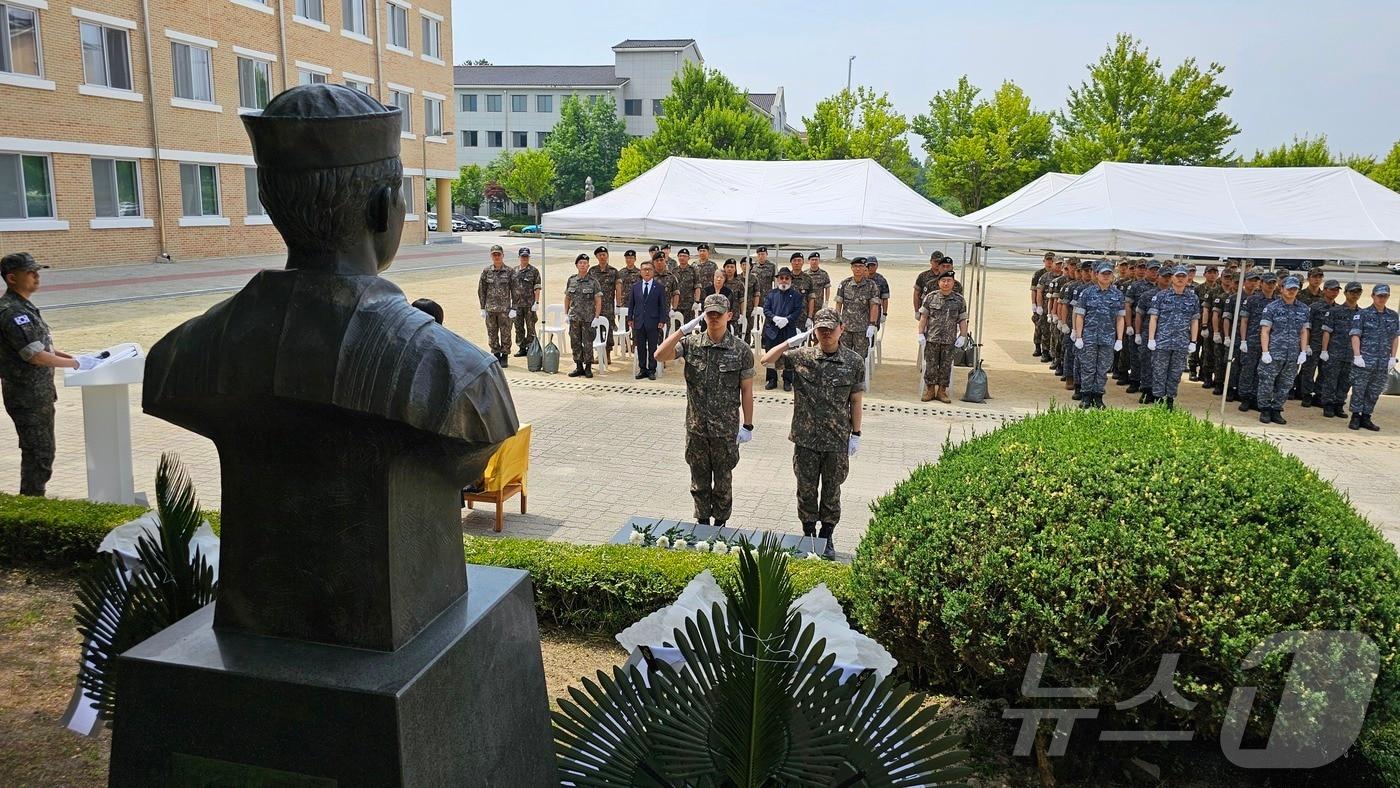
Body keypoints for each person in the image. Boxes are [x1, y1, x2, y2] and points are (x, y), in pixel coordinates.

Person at [760, 307, 863, 560]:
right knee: (806, 491)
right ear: (814, 331)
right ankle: (807, 536)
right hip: (805, 439)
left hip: (836, 439)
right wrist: (791, 340)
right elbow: (767, 360)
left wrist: (856, 433)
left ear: (842, 329)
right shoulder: (801, 356)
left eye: (831, 329)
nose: (826, 333)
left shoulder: (853, 361)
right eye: (821, 329)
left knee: (831, 491)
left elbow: (856, 400)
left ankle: (826, 537)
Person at [655, 294, 755, 529]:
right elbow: (659, 356)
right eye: (709, 314)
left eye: (718, 314)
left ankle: (720, 527)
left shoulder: (741, 350)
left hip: (724, 430)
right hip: (697, 427)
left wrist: (748, 425)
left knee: (722, 483)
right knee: (699, 482)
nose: (714, 318)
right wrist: (681, 331)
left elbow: (747, 391)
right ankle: (701, 526)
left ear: (729, 316)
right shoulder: (691, 344)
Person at [1, 252, 94, 497]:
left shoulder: (23, 306)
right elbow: (35, 356)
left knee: (40, 451)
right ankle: (32, 504)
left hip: (37, 395)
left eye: (37, 271)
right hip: (26, 397)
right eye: (30, 272)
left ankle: (32, 502)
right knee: (39, 453)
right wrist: (75, 364)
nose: (36, 276)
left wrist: (73, 358)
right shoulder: (11, 312)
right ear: (12, 278)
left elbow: (43, 348)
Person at [1255, 276, 1311, 424]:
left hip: (1292, 354)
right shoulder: (1272, 307)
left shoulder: (1304, 309)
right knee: (1267, 381)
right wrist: (1265, 351)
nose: (1292, 291)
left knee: (1286, 384)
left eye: (1295, 289)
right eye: (1289, 288)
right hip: (1274, 352)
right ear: (1281, 289)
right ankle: (1265, 409)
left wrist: (1303, 351)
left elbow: (1304, 331)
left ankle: (1277, 409)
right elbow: (1265, 331)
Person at [1072, 261, 1126, 409]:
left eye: (1109, 273)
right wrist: (1079, 336)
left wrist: (1119, 339)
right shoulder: (1087, 293)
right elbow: (1080, 316)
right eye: (1103, 273)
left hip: (1108, 338)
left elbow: (1120, 318)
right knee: (1088, 367)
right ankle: (1086, 395)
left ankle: (1098, 396)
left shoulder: (1117, 295)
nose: (1106, 276)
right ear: (1097, 275)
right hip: (1089, 336)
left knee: (1102, 369)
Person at [1145, 266, 1200, 409]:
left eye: (1183, 276)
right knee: (1159, 371)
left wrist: (1193, 341)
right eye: (1178, 276)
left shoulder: (1193, 298)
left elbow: (1194, 321)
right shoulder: (1161, 296)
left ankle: (1170, 399)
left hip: (1181, 342)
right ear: (1172, 278)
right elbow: (1154, 318)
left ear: (1188, 278)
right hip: (1162, 341)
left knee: (1176, 373)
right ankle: (1158, 398)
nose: (1180, 279)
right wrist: (1151, 338)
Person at [1348, 284, 1399, 431]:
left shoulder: (1393, 315)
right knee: (1359, 389)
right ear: (1373, 296)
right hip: (1365, 359)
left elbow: (1395, 337)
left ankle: (1366, 416)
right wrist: (1357, 355)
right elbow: (1355, 335)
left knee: (1374, 391)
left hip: (1382, 361)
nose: (1382, 298)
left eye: (1385, 296)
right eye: (1379, 296)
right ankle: (1355, 416)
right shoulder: (1363, 314)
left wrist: (1392, 357)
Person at [917, 271, 969, 403]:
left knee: (946, 366)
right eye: (943, 280)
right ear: (938, 283)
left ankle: (942, 391)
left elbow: (962, 320)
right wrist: (920, 333)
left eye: (949, 280)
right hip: (932, 338)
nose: (946, 283)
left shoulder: (959, 300)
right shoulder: (930, 297)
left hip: (949, 340)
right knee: (931, 365)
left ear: (953, 282)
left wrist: (962, 336)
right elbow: (924, 317)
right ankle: (930, 390)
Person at [1318, 281, 1363, 418]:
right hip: (1335, 352)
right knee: (1330, 380)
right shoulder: (1335, 311)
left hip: (1351, 354)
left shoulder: (1362, 314)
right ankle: (1328, 405)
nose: (1354, 295)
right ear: (1345, 293)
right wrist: (1324, 350)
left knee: (1346, 381)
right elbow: (1327, 332)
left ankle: (1339, 404)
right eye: (1352, 292)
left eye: (1357, 292)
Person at [1237, 270, 1277, 412]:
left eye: (1273, 282)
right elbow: (1244, 321)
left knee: (1263, 372)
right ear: (1261, 284)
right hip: (1253, 339)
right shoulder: (1252, 300)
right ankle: (1245, 397)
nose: (1271, 285)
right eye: (1268, 283)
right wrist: (1243, 340)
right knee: (1248, 370)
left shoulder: (1277, 301)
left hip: (1269, 343)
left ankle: (1256, 397)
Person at [761, 267, 806, 390]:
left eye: (787, 278)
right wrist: (775, 318)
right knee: (771, 355)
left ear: (791, 280)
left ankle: (787, 380)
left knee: (788, 356)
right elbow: (766, 309)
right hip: (772, 330)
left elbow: (798, 311)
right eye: (781, 278)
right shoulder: (771, 294)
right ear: (777, 280)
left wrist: (787, 319)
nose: (784, 281)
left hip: (788, 329)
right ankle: (771, 379)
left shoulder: (796, 295)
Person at [1299, 278, 1339, 407]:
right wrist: (1307, 345)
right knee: (1308, 370)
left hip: (1330, 346)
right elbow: (1307, 327)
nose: (1334, 292)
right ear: (1325, 290)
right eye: (1331, 289)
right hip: (1314, 344)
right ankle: (1306, 394)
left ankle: (1318, 394)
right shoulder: (1314, 307)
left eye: (1336, 290)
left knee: (1325, 371)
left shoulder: (1338, 309)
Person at [627, 258, 669, 380]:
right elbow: (631, 304)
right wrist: (630, 318)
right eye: (644, 270)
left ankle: (652, 370)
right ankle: (642, 369)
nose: (647, 272)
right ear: (640, 272)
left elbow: (663, 305)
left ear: (653, 272)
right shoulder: (635, 287)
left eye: (649, 269)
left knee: (652, 347)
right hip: (639, 321)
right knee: (640, 347)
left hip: (653, 322)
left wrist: (662, 320)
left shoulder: (659, 287)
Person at [833, 257, 881, 359]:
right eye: (855, 266)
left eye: (860, 266)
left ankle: (859, 376)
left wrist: (872, 324)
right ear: (851, 268)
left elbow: (874, 306)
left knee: (860, 357)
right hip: (845, 328)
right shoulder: (844, 284)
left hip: (862, 329)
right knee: (843, 356)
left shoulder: (871, 285)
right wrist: (837, 322)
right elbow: (838, 305)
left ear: (865, 268)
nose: (858, 269)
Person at [478, 244, 517, 366]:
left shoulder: (510, 271)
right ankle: (496, 355)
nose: (496, 257)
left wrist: (514, 308)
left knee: (506, 333)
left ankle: (504, 356)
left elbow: (515, 290)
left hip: (505, 309)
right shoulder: (486, 271)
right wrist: (482, 307)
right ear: (491, 256)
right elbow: (481, 290)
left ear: (503, 255)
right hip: (490, 308)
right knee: (492, 333)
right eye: (494, 254)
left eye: (498, 254)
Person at [563, 253, 601, 378]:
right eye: (581, 263)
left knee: (588, 343)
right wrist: (565, 314)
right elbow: (567, 298)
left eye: (585, 263)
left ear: (588, 265)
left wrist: (596, 317)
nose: (583, 265)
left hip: (588, 318)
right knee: (575, 343)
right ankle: (578, 366)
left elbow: (598, 300)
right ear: (576, 265)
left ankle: (588, 367)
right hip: (574, 318)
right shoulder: (571, 280)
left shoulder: (593, 281)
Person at [588, 246, 619, 368]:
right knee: (596, 330)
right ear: (596, 257)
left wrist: (618, 303)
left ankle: (607, 354)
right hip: (594, 306)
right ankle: (598, 354)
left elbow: (618, 288)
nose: (602, 257)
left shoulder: (613, 271)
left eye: (604, 254)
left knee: (608, 330)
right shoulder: (592, 271)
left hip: (608, 306)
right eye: (600, 255)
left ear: (607, 256)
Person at [511, 247, 541, 356]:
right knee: (518, 327)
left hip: (529, 305)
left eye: (526, 256)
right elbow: (510, 288)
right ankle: (521, 347)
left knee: (530, 327)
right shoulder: (513, 271)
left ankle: (531, 348)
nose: (524, 258)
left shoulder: (534, 271)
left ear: (529, 257)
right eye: (523, 256)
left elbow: (537, 287)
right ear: (519, 257)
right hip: (517, 305)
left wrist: (536, 302)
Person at [1028, 252, 1054, 360]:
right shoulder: (1039, 274)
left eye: (1051, 260)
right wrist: (1035, 305)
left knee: (1048, 329)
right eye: (1047, 260)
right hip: (1041, 304)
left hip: (1051, 305)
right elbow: (1034, 290)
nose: (1049, 262)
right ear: (1044, 261)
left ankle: (1047, 349)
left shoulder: (1057, 274)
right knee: (1039, 326)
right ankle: (1037, 346)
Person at [674, 247, 700, 316]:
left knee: (689, 326)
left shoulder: (693, 270)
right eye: (680, 256)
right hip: (676, 305)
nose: (682, 258)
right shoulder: (674, 271)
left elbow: (697, 286)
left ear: (689, 258)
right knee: (676, 326)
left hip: (689, 305)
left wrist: (697, 301)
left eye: (684, 256)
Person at [806, 252, 831, 317]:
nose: (814, 261)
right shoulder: (805, 274)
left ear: (819, 261)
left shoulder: (824, 274)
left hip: (819, 305)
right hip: (807, 305)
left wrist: (826, 302)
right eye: (812, 260)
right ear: (809, 261)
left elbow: (827, 288)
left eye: (816, 260)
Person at [617, 249, 642, 313]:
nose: (629, 260)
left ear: (635, 259)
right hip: (624, 304)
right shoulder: (620, 273)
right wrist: (618, 304)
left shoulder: (640, 273)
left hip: (636, 304)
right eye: (627, 258)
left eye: (631, 258)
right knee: (623, 322)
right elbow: (618, 289)